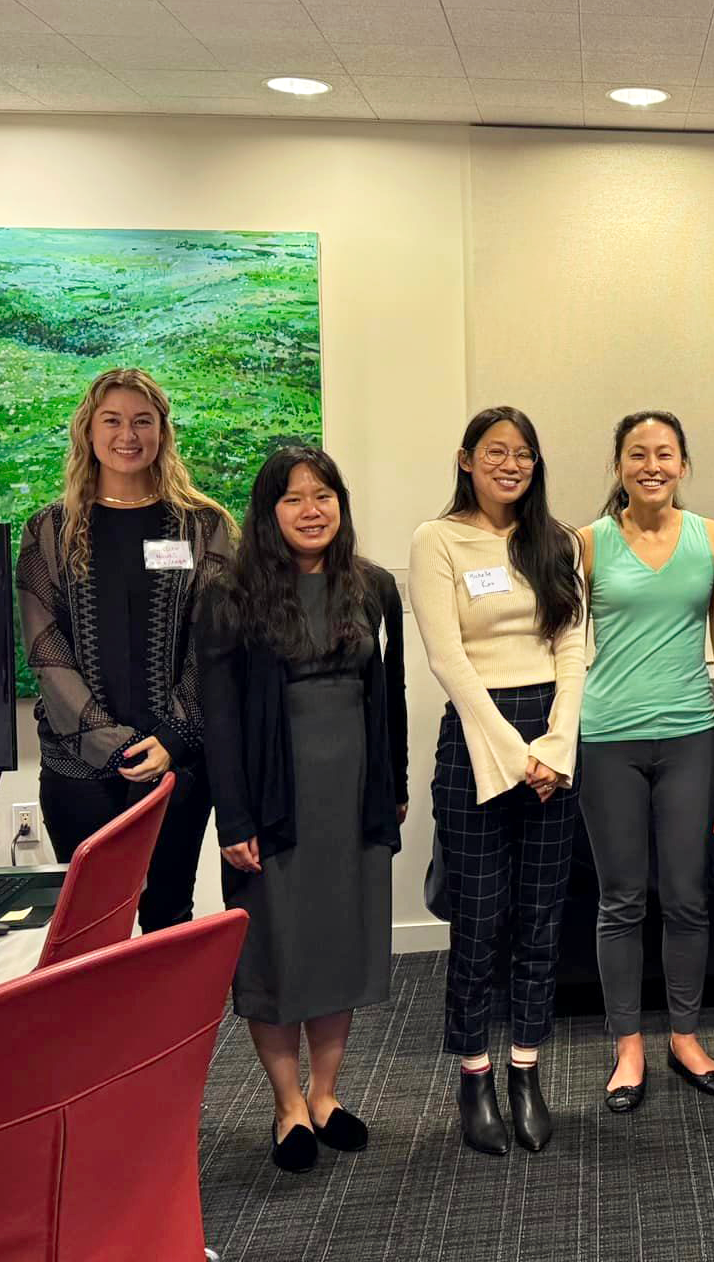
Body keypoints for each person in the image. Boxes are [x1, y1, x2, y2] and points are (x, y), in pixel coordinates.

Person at [199, 446, 406, 1173]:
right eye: (293, 499)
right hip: (274, 803)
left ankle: (326, 1096)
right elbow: (219, 717)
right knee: (276, 950)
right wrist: (236, 819)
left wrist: (395, 787)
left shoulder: (372, 587)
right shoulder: (230, 592)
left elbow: (393, 698)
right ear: (268, 511)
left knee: (337, 943)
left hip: (352, 799)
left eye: (324, 496)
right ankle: (287, 1105)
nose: (311, 510)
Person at [410, 407, 587, 1156]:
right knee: (479, 923)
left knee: (541, 924)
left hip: (552, 735)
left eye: (523, 454)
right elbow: (448, 660)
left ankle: (527, 1072)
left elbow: (575, 647)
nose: (511, 465)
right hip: (479, 738)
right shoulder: (438, 540)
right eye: (496, 453)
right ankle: (475, 1075)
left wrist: (558, 746)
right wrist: (518, 756)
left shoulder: (556, 542)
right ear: (466, 459)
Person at [16, 366, 234, 933]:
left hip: (176, 764)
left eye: (143, 421)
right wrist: (113, 746)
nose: (127, 435)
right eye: (112, 421)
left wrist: (170, 741)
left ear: (163, 431)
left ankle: (166, 1028)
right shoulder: (48, 531)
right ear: (88, 431)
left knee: (168, 918)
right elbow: (44, 648)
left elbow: (214, 644)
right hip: (77, 770)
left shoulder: (203, 528)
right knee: (87, 931)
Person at [578, 410, 714, 1111]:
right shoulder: (586, 544)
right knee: (620, 900)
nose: (652, 465)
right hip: (607, 737)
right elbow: (559, 645)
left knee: (686, 896)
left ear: (683, 464)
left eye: (665, 454)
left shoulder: (712, 538)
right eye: (637, 454)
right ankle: (627, 1044)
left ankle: (684, 1034)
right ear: (618, 464)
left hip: (689, 734)